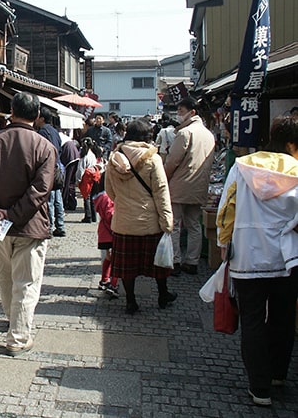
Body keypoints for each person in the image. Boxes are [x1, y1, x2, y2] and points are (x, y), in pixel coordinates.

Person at [216, 116, 298, 407]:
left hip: (248, 255)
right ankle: (278, 374)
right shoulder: (296, 169)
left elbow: (227, 208)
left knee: (252, 320)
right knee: (283, 317)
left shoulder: (243, 166)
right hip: (288, 257)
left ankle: (259, 388)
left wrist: (223, 245)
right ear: (291, 144)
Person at [0, 92, 56, 355]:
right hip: (29, 226)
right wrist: (13, 214)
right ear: (37, 114)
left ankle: (13, 322)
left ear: (11, 110)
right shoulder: (44, 147)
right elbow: (41, 190)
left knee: (6, 277)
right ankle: (18, 337)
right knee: (26, 283)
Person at [106, 119, 175, 315]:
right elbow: (161, 192)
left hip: (123, 223)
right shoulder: (153, 159)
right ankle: (163, 295)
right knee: (158, 263)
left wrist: (124, 202)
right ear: (148, 137)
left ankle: (131, 301)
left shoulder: (114, 159)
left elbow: (109, 191)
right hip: (149, 222)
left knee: (127, 267)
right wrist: (167, 221)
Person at [164, 97, 216, 275]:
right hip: (199, 186)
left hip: (179, 186)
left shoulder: (185, 133)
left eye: (181, 112)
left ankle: (175, 260)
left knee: (175, 225)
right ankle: (192, 262)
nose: (178, 115)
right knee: (194, 225)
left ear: (192, 112)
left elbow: (172, 161)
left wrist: (164, 178)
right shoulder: (209, 134)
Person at [79, 167, 118, 297]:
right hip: (111, 234)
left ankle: (104, 280)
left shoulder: (101, 197)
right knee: (116, 260)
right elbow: (110, 216)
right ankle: (112, 283)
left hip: (104, 234)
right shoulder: (108, 198)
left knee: (108, 258)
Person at [35, 106, 66, 237]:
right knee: (57, 199)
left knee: (50, 199)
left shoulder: (42, 132)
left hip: (49, 168)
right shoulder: (55, 132)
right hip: (59, 167)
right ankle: (60, 225)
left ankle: (50, 227)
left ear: (41, 118)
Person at [76, 138, 103, 223]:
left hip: (87, 178)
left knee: (86, 197)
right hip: (94, 177)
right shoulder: (93, 154)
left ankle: (88, 216)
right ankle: (94, 216)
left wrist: (78, 179)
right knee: (92, 197)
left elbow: (81, 169)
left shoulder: (84, 155)